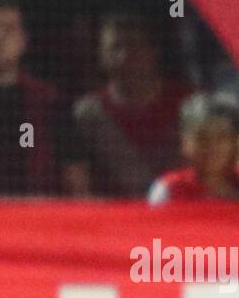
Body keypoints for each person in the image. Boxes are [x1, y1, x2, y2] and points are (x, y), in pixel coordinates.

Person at [0, 0, 86, 196]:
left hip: (37, 219)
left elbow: (75, 178)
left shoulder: (50, 101)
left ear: (23, 41)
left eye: (9, 29)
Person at [73, 13, 188, 198]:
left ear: (153, 51)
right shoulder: (87, 115)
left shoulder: (186, 104)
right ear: (102, 54)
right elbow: (79, 188)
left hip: (179, 214)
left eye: (135, 45)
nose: (125, 55)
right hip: (113, 220)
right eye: (116, 47)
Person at [148, 93, 239, 203]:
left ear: (236, 141)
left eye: (221, 137)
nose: (212, 146)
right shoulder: (169, 190)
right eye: (202, 137)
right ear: (185, 143)